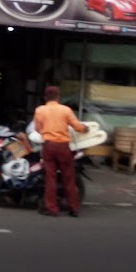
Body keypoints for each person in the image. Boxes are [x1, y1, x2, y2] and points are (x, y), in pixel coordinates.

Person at [33, 85, 88, 217]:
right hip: (63, 146)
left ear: (45, 97)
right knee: (69, 178)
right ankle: (73, 208)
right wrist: (85, 129)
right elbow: (77, 126)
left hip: (48, 146)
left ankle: (52, 209)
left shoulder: (39, 110)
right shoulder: (66, 110)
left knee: (50, 178)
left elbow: (37, 129)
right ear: (58, 97)